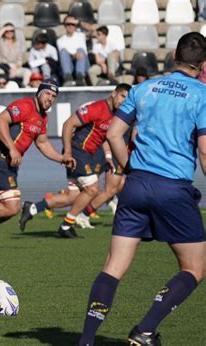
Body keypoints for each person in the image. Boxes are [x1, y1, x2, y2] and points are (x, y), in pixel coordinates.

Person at [78, 32, 206, 346]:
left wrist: (131, 168)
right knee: (194, 267)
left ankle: (86, 340)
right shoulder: (202, 95)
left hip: (135, 186)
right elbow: (204, 151)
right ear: (202, 64)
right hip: (172, 188)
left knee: (113, 266)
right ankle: (144, 331)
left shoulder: (144, 88)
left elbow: (114, 134)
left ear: (174, 55)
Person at [0, 79, 74, 255]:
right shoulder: (25, 105)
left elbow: (43, 143)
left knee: (8, 211)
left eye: (54, 96)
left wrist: (61, 158)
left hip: (9, 164)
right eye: (47, 93)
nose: (50, 99)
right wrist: (12, 148)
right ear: (39, 93)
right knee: (12, 207)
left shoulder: (43, 118)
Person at [19, 84, 132, 237]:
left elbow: (105, 137)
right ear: (114, 93)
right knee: (92, 189)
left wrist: (108, 156)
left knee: (72, 197)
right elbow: (68, 124)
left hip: (86, 153)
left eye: (127, 99)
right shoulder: (97, 108)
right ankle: (66, 225)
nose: (124, 101)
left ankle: (32, 208)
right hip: (78, 151)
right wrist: (68, 151)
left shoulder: (115, 115)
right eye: (122, 96)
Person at [0, 23, 31, 87]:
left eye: (11, 31)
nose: (9, 32)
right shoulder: (1, 41)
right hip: (2, 66)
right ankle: (0, 89)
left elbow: (19, 60)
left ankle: (24, 88)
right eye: (7, 31)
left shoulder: (18, 43)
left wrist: (14, 69)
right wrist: (5, 28)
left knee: (27, 72)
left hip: (14, 67)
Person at [57, 16, 90, 86]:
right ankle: (68, 77)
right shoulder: (60, 40)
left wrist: (80, 22)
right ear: (64, 25)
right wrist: (74, 55)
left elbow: (93, 30)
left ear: (75, 25)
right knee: (63, 52)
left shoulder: (81, 35)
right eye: (68, 24)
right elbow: (64, 54)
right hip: (70, 65)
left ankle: (80, 76)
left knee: (80, 50)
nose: (70, 26)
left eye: (73, 24)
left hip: (84, 64)